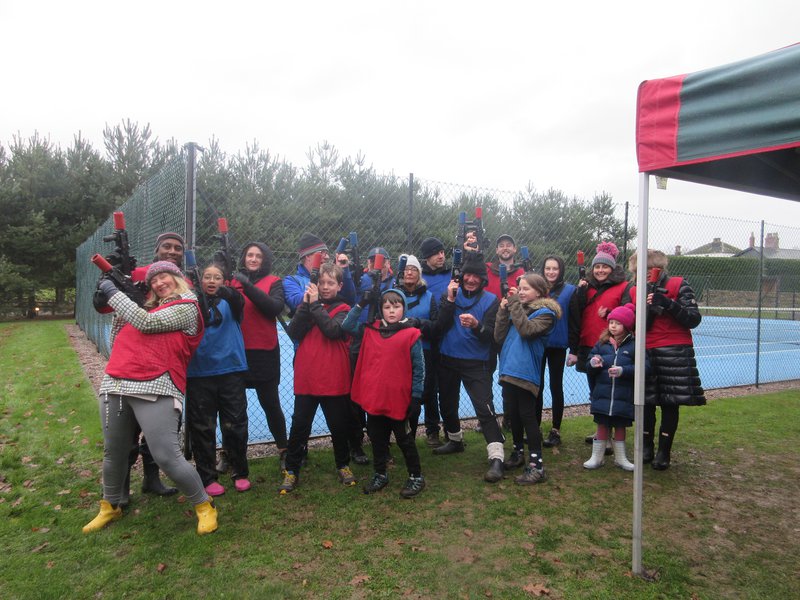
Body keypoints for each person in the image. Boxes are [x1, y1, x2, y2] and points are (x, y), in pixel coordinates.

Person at [83, 261, 217, 535]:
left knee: (167, 455)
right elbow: (118, 335)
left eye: (164, 276)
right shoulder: (141, 307)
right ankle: (110, 505)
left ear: (177, 278)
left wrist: (113, 292)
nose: (159, 283)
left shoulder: (187, 307)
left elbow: (147, 323)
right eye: (154, 280)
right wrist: (116, 299)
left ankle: (204, 505)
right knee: (114, 452)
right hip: (117, 382)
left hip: (158, 385)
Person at [93, 231, 189, 500]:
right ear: (157, 249)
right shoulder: (138, 274)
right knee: (126, 433)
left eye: (178, 248)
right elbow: (103, 305)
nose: (172, 251)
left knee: (160, 433)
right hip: (132, 366)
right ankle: (120, 492)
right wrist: (109, 278)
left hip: (166, 368)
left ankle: (151, 479)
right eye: (167, 246)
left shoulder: (185, 283)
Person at [626, 249, 705, 471]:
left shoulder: (679, 283)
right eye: (640, 270)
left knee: (670, 402)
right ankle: (647, 448)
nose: (646, 274)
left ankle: (664, 451)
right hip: (646, 350)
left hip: (674, 350)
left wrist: (668, 303)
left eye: (650, 269)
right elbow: (637, 325)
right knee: (647, 402)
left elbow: (693, 318)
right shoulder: (634, 291)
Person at [279, 263, 355, 493]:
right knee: (300, 426)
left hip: (334, 377)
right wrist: (306, 304)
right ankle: (291, 470)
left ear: (339, 285)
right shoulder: (308, 306)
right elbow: (293, 332)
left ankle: (343, 465)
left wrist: (314, 306)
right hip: (308, 377)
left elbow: (332, 330)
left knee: (338, 426)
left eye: (330, 283)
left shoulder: (345, 308)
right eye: (321, 283)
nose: (324, 287)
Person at [343, 288, 426, 498]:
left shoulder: (411, 334)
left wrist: (416, 397)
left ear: (403, 308)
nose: (391, 311)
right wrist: (361, 303)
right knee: (377, 438)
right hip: (376, 399)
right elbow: (347, 325)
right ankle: (380, 473)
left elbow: (419, 369)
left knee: (404, 439)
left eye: (396, 306)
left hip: (400, 400)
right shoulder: (371, 330)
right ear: (380, 309)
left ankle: (416, 476)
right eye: (386, 307)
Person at [433, 254, 505, 483]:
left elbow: (492, 336)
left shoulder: (491, 300)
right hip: (447, 358)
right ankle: (455, 440)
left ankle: (497, 457)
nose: (471, 279)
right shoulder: (449, 294)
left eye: (476, 276)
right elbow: (439, 325)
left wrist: (476, 326)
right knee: (447, 403)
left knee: (484, 408)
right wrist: (449, 301)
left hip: (477, 362)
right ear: (461, 276)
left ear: (483, 279)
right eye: (468, 275)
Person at [186, 263, 250, 496]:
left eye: (217, 277)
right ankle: (207, 475)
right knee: (202, 427)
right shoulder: (190, 303)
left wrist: (225, 288)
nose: (212, 281)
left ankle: (240, 471)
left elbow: (238, 299)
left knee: (235, 424)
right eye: (207, 277)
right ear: (199, 280)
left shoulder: (231, 301)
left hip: (231, 370)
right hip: (199, 372)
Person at [494, 273, 560, 484]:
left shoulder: (546, 314)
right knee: (512, 414)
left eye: (526, 289)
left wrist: (513, 305)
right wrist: (502, 311)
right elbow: (498, 336)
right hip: (509, 370)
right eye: (519, 288)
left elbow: (526, 331)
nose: (520, 292)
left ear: (539, 292)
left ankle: (537, 466)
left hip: (525, 372)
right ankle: (517, 453)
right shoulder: (519, 310)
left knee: (527, 416)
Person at [230, 242, 288, 468]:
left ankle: (284, 449)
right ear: (244, 257)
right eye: (249, 255)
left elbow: (274, 308)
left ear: (265, 260)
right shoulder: (231, 281)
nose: (253, 259)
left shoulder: (274, 282)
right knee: (234, 408)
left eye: (258, 256)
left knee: (270, 403)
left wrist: (248, 287)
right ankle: (231, 453)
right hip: (235, 351)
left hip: (264, 352)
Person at [576, 241, 632, 450]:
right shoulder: (586, 287)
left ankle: (608, 436)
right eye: (597, 266)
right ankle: (602, 430)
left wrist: (610, 315)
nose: (600, 270)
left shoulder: (624, 287)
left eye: (605, 266)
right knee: (596, 391)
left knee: (611, 390)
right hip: (589, 344)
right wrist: (580, 292)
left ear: (612, 268)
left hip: (610, 347)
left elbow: (628, 314)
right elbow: (577, 310)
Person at [583, 303, 647, 471]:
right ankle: (597, 457)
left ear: (627, 326)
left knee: (620, 426)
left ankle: (621, 458)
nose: (613, 326)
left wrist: (623, 371)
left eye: (617, 323)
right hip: (602, 394)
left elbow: (645, 367)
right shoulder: (602, 343)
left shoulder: (635, 345)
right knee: (602, 425)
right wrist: (593, 362)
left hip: (623, 396)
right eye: (611, 322)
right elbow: (589, 363)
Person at [396, 254, 441, 445]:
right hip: (399, 352)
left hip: (424, 350)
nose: (409, 272)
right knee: (403, 392)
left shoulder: (429, 297)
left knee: (428, 391)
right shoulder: (394, 294)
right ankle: (404, 432)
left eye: (414, 269)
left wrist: (418, 324)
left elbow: (436, 326)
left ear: (419, 273)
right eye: (407, 269)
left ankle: (432, 430)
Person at [537, 255, 581, 448]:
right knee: (535, 387)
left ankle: (555, 430)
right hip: (537, 344)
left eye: (555, 268)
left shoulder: (570, 291)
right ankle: (534, 427)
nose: (551, 272)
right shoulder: (536, 288)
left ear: (560, 270)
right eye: (548, 268)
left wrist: (574, 349)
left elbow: (575, 321)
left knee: (556, 386)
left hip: (558, 346)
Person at [284, 232, 356, 314]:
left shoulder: (332, 277)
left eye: (326, 253)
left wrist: (344, 270)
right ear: (307, 256)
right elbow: (294, 302)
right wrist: (321, 290)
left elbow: (350, 299)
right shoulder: (292, 281)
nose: (327, 257)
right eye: (322, 253)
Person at [485, 234, 526, 301]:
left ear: (514, 249)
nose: (505, 248)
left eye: (508, 245)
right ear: (497, 250)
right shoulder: (487, 269)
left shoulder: (522, 273)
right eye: (501, 246)